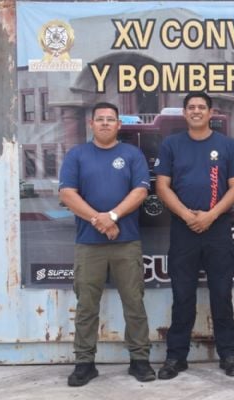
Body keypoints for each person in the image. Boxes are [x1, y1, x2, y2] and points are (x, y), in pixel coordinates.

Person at [59, 102, 155, 386]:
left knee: (134, 303)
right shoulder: (77, 155)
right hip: (88, 244)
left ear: (118, 124)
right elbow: (67, 194)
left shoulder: (131, 154)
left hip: (126, 243)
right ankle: (84, 363)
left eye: (109, 119)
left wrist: (112, 216)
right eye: (99, 119)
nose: (104, 123)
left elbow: (141, 191)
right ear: (91, 124)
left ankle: (140, 360)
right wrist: (99, 220)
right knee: (87, 306)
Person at [154, 92, 234, 379]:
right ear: (184, 113)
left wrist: (210, 215)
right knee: (182, 296)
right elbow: (162, 187)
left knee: (221, 295)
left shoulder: (227, 145)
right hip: (183, 230)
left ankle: (229, 355)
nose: (196, 111)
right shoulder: (171, 145)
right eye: (191, 107)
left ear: (210, 113)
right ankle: (175, 358)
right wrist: (186, 215)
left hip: (217, 228)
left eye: (201, 108)